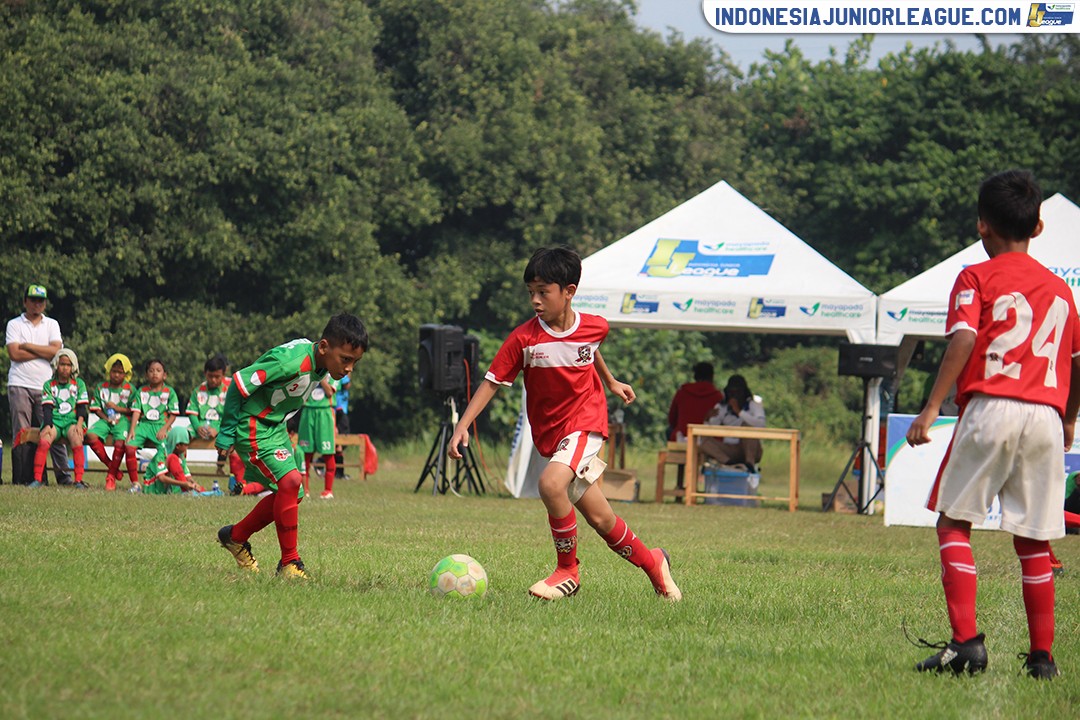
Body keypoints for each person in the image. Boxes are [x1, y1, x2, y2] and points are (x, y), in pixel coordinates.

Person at [905, 170, 1080, 680]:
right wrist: (1068, 419)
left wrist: (932, 406)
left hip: (992, 406)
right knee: (1033, 540)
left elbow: (962, 340)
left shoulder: (976, 278)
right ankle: (1043, 659)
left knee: (954, 523)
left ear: (981, 225)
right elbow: (1079, 360)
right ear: (1040, 227)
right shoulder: (1061, 292)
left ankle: (965, 645)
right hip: (1047, 416)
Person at [448, 247, 682, 602]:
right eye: (531, 292)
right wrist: (463, 425)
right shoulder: (523, 340)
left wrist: (610, 382)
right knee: (602, 520)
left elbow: (589, 348)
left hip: (586, 423)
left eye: (544, 292)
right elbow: (492, 381)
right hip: (554, 438)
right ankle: (655, 564)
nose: (535, 300)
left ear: (568, 291)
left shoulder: (595, 326)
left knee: (550, 483)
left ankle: (567, 571)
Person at [215, 313, 368, 579]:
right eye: (345, 359)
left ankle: (235, 536)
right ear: (323, 347)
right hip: (253, 425)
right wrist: (226, 433)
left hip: (275, 428)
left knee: (292, 491)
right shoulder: (290, 362)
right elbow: (238, 383)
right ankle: (290, 563)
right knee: (290, 481)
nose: (349, 368)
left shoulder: (320, 363)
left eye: (355, 362)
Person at [6, 284, 67, 485]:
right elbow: (14, 354)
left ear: (45, 303)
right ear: (25, 301)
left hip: (47, 386)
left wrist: (28, 346)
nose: (36, 304)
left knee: (53, 430)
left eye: (40, 300)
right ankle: (23, 477)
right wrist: (44, 351)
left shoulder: (52, 324)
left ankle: (64, 477)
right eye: (32, 300)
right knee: (22, 433)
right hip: (19, 383)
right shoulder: (15, 324)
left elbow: (56, 353)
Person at [29, 349, 90, 489]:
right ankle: (37, 479)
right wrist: (48, 426)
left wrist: (79, 425)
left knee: (76, 438)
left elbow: (82, 408)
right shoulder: (48, 385)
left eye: (68, 365)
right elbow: (47, 409)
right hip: (55, 421)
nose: (65, 368)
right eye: (62, 364)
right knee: (44, 441)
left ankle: (78, 480)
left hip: (72, 421)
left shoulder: (79, 384)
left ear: (73, 366)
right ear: (56, 365)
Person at [186, 353, 246, 491]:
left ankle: (237, 481)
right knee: (180, 437)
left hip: (224, 426)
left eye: (217, 377)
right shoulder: (199, 390)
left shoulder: (231, 388)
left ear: (223, 374)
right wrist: (197, 426)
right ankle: (182, 474)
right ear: (205, 373)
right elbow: (192, 412)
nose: (213, 380)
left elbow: (234, 414)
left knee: (234, 439)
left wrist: (218, 429)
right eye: (210, 376)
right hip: (200, 426)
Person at [126, 359, 180, 492]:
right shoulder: (141, 391)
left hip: (161, 425)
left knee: (166, 451)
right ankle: (135, 483)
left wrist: (165, 428)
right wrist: (132, 429)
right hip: (144, 425)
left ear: (164, 375)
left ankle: (165, 482)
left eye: (158, 370)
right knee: (129, 446)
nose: (154, 373)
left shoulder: (170, 392)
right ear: (146, 375)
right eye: (151, 371)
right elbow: (137, 411)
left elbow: (173, 414)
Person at [85, 353, 137, 491]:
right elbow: (95, 408)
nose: (116, 375)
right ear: (109, 371)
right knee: (90, 435)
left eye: (120, 372)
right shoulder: (101, 387)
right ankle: (112, 466)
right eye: (114, 371)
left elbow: (134, 410)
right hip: (106, 420)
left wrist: (116, 408)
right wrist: (105, 417)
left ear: (126, 373)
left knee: (120, 443)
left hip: (123, 421)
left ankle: (111, 476)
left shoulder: (131, 389)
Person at [699, 374, 766, 470]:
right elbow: (711, 427)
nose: (734, 396)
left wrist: (739, 412)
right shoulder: (722, 407)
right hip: (730, 449)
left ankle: (749, 466)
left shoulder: (753, 405)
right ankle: (730, 464)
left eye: (737, 392)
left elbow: (761, 424)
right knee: (704, 442)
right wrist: (707, 418)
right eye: (731, 393)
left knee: (747, 426)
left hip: (751, 449)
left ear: (744, 392)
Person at [298, 375, 340, 499]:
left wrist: (320, 376)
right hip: (307, 411)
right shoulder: (309, 370)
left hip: (325, 412)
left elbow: (329, 392)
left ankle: (328, 490)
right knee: (305, 453)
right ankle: (305, 489)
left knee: (328, 452)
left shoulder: (334, 373)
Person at [667, 361, 724, 442]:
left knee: (669, 430)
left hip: (683, 436)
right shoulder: (718, 396)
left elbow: (672, 419)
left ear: (695, 376)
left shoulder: (682, 393)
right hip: (709, 439)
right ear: (712, 377)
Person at [141, 426, 204, 494]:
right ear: (177, 445)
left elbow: (186, 475)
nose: (187, 448)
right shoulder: (162, 454)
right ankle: (186, 491)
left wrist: (195, 484)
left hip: (167, 488)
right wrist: (183, 484)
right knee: (172, 458)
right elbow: (161, 478)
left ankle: (193, 491)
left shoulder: (181, 455)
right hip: (153, 488)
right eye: (186, 445)